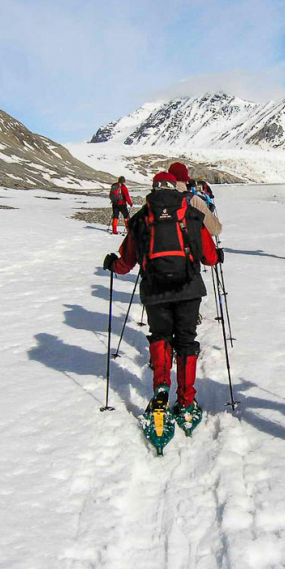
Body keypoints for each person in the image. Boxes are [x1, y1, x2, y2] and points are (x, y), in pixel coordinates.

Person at [103, 171, 220, 454]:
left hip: (155, 291)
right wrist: (217, 256)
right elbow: (210, 257)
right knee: (187, 341)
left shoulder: (141, 218)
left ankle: (160, 390)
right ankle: (186, 400)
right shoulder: (191, 214)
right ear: (175, 187)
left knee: (160, 337)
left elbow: (127, 261)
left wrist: (112, 265)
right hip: (189, 289)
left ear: (153, 189)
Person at [167, 162, 222, 237]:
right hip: (185, 246)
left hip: (156, 247)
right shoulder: (193, 200)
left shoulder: (151, 199)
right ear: (186, 180)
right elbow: (214, 230)